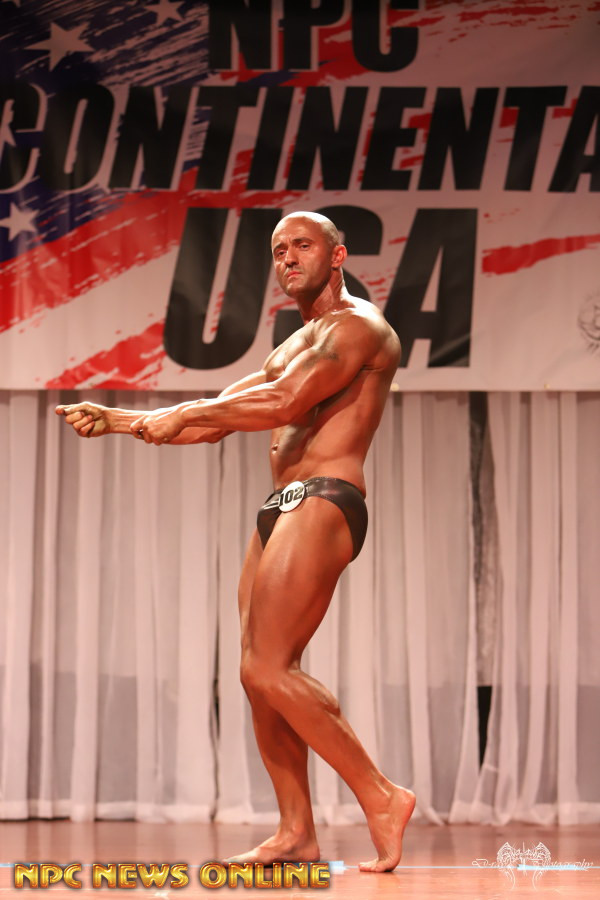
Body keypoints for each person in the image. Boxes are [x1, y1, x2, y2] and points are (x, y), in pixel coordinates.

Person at [56, 211, 415, 872]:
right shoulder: (295, 342)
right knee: (259, 675)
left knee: (267, 667)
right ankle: (296, 832)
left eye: (302, 246)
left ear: (337, 256)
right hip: (281, 506)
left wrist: (181, 413)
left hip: (325, 498)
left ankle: (382, 796)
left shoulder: (359, 327)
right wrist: (121, 421)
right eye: (279, 251)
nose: (288, 259)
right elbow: (218, 419)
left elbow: (283, 403)